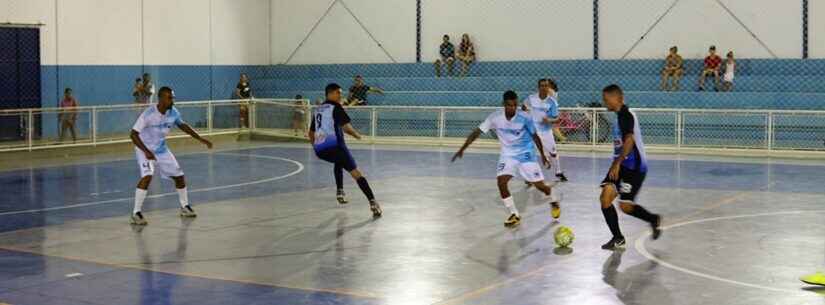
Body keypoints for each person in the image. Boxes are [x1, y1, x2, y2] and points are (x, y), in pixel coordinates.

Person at [452, 90, 561, 227]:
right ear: (503, 104)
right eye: (509, 105)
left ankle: (553, 198)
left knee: (540, 186)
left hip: (526, 153)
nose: (512, 108)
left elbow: (535, 136)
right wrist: (463, 148)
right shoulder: (495, 117)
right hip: (508, 155)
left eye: (515, 105)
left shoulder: (525, 118)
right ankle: (514, 214)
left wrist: (543, 156)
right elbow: (477, 132)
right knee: (501, 182)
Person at [129, 87, 213, 225]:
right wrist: (146, 151)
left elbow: (183, 125)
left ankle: (184, 207)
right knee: (147, 176)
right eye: (169, 98)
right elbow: (133, 134)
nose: (172, 100)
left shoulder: (173, 112)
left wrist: (200, 138)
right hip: (144, 148)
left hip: (161, 149)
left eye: (173, 97)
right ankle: (136, 213)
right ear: (161, 99)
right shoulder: (148, 114)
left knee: (179, 176)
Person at [599, 84, 662, 250]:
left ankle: (653, 219)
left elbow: (629, 140)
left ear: (616, 98)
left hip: (633, 167)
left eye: (606, 99)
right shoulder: (620, 116)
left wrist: (618, 163)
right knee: (605, 199)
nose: (604, 101)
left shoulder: (626, 115)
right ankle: (618, 238)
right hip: (620, 165)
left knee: (625, 207)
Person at [309, 83, 382, 218]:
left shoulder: (318, 109)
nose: (340, 95)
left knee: (339, 162)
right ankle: (373, 202)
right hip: (336, 147)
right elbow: (346, 128)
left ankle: (340, 191)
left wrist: (316, 147)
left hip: (321, 150)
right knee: (357, 174)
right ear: (330, 93)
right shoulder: (336, 107)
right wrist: (357, 135)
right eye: (338, 93)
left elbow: (311, 133)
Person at [522, 79, 568, 182]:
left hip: (546, 131)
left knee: (553, 153)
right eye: (542, 86)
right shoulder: (531, 98)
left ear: (548, 87)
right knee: (530, 153)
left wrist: (549, 120)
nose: (544, 88)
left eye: (546, 86)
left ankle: (558, 172)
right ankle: (529, 177)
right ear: (538, 87)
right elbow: (524, 107)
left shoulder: (552, 102)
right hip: (533, 131)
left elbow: (556, 118)